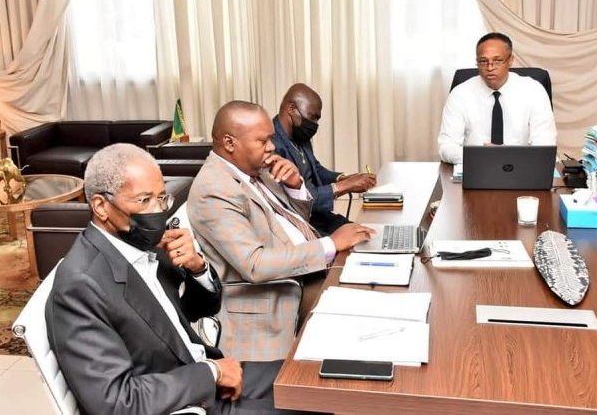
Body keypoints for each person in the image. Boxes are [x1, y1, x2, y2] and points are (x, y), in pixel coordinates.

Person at [45, 143, 303, 415]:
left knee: (313, 379)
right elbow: (116, 402)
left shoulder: (139, 244)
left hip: (205, 375)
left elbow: (198, 310)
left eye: (161, 198)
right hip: (184, 401)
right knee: (315, 404)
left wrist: (197, 268)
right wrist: (211, 372)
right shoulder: (80, 285)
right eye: (144, 200)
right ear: (101, 206)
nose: (158, 212)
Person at [188, 100, 373, 361]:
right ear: (229, 143)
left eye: (271, 139)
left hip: (307, 272)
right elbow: (255, 264)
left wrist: (295, 186)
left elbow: (294, 222)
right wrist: (330, 244)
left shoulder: (256, 169)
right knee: (362, 322)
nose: (272, 147)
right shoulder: (213, 189)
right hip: (278, 297)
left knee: (376, 291)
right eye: (262, 141)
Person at [437, 32, 557, 164]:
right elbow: (446, 147)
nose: (490, 67)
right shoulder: (460, 94)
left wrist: (507, 156)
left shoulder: (534, 91)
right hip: (476, 166)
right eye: (483, 61)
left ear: (510, 61)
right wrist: (483, 156)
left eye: (497, 60)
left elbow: (545, 146)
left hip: (521, 167)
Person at [273, 83, 377, 234]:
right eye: (312, 117)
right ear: (291, 109)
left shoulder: (300, 135)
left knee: (367, 234)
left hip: (318, 216)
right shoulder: (272, 144)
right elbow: (300, 200)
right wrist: (345, 185)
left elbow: (316, 169)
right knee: (357, 240)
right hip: (300, 224)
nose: (314, 125)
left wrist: (343, 178)